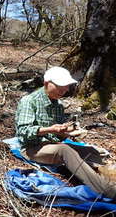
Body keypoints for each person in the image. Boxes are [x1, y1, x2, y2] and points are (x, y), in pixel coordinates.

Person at [15, 66, 116, 199]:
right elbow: (23, 132)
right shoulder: (29, 101)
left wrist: (66, 132)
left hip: (51, 144)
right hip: (32, 148)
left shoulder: (58, 105)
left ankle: (107, 175)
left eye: (66, 86)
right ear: (47, 84)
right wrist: (51, 129)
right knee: (65, 150)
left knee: (91, 151)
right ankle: (107, 190)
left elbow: (57, 133)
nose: (65, 90)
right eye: (60, 86)